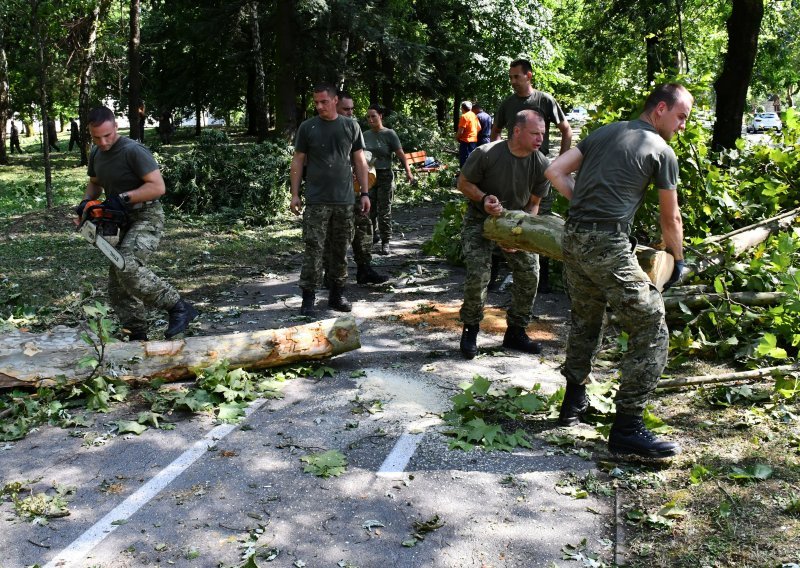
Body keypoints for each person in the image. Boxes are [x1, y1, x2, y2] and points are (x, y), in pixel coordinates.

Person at [545, 83, 694, 458]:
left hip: (573, 238)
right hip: (607, 245)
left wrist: (585, 203)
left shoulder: (606, 132)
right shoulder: (661, 151)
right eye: (681, 117)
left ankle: (573, 403)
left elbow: (554, 170)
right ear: (660, 109)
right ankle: (628, 427)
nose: (681, 126)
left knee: (586, 317)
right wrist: (677, 259)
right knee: (650, 323)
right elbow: (670, 217)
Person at [73, 106, 198, 341]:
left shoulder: (133, 151)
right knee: (117, 286)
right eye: (96, 137)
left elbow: (158, 187)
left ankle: (178, 307)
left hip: (146, 215)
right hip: (119, 221)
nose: (103, 141)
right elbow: (94, 183)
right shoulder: (96, 153)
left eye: (107, 135)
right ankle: (137, 334)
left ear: (116, 127)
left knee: (127, 266)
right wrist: (85, 205)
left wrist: (123, 198)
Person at [457, 110, 550, 359]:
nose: (540, 138)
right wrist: (484, 198)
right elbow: (463, 183)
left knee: (530, 272)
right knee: (479, 273)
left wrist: (518, 234)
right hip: (480, 220)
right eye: (535, 133)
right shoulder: (487, 153)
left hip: (516, 222)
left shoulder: (541, 163)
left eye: (542, 133)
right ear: (517, 131)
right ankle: (471, 329)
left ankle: (516, 332)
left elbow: (534, 204)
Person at [491, 58, 573, 294]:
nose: (513, 81)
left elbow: (566, 130)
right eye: (511, 77)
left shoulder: (544, 100)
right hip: (511, 169)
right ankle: (495, 273)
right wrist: (495, 157)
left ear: (529, 76)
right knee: (504, 213)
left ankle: (542, 279)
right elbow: (495, 132)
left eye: (517, 76)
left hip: (538, 168)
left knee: (539, 219)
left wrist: (561, 163)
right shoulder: (507, 104)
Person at [290, 84, 371, 317]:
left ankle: (337, 294)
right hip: (317, 200)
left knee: (340, 249)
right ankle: (308, 297)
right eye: (316, 102)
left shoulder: (350, 126)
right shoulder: (308, 127)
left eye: (323, 102)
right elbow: (297, 161)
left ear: (335, 100)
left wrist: (364, 193)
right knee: (314, 249)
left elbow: (360, 162)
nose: (319, 106)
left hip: (344, 200)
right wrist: (295, 194)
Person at [322, 95, 387, 285]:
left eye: (352, 109)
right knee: (333, 235)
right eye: (346, 109)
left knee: (364, 229)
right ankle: (330, 275)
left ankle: (364, 269)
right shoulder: (324, 130)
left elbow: (361, 157)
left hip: (357, 192)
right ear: (335, 107)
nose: (350, 113)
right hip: (333, 194)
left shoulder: (352, 128)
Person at [363, 103, 414, 256]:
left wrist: (408, 172)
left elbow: (400, 154)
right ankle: (372, 237)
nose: (370, 119)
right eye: (368, 117)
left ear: (380, 116)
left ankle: (386, 242)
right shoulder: (365, 135)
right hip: (369, 176)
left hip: (385, 175)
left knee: (384, 210)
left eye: (373, 116)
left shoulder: (389, 134)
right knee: (369, 209)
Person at [456, 101, 480, 168]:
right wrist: (473, 134)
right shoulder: (474, 115)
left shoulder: (464, 116)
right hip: (474, 141)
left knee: (464, 161)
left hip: (466, 141)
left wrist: (457, 138)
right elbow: (479, 127)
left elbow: (460, 131)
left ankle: (463, 177)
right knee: (472, 160)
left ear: (462, 108)